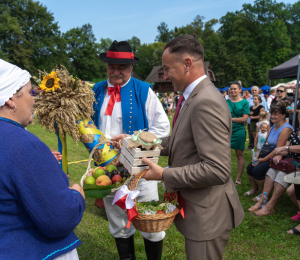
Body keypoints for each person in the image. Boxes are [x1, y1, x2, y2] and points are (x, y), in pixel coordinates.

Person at [127, 35, 244, 260]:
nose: (165, 75)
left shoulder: (205, 101)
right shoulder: (193, 97)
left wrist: (163, 175)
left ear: (187, 64)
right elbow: (181, 140)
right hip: (200, 209)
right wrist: (142, 142)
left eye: (167, 69)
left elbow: (217, 169)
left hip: (208, 215)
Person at [0, 59, 85, 260]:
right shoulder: (22, 143)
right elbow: (59, 217)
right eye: (30, 93)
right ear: (10, 99)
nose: (34, 100)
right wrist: (77, 194)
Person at [92, 40, 170, 260]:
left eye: (122, 68)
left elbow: (163, 127)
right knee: (119, 223)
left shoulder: (143, 90)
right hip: (107, 168)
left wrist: (132, 139)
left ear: (131, 67)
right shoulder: (96, 90)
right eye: (111, 67)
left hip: (140, 168)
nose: (116, 72)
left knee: (150, 223)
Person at [249, 118, 300, 217]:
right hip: (289, 161)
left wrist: (286, 148)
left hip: (297, 164)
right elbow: (285, 149)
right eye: (299, 116)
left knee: (281, 174)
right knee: (271, 171)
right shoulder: (296, 131)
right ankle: (262, 200)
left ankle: (270, 206)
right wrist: (280, 155)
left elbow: (287, 148)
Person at [245, 104, 293, 202]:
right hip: (268, 154)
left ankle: (264, 194)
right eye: (272, 114)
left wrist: (262, 159)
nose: (272, 116)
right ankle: (255, 190)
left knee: (257, 170)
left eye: (276, 114)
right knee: (250, 167)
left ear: (283, 115)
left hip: (280, 157)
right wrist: (258, 155)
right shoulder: (272, 127)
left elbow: (278, 149)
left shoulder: (286, 129)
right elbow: (266, 143)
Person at [227, 81, 250, 186]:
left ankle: (238, 178)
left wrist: (230, 119)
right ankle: (225, 177)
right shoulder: (226, 101)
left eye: (235, 88)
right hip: (226, 131)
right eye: (231, 88)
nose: (233, 90)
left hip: (239, 131)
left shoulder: (245, 102)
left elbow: (245, 119)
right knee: (225, 155)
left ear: (240, 90)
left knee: (239, 155)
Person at [246, 86, 269, 150]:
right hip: (250, 121)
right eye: (252, 90)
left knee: (259, 134)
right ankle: (251, 146)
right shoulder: (248, 100)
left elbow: (265, 111)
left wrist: (264, 119)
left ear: (258, 91)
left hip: (259, 121)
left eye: (255, 90)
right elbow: (246, 110)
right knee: (251, 133)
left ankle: (260, 146)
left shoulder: (263, 99)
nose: (254, 91)